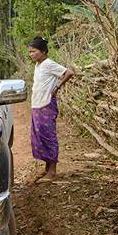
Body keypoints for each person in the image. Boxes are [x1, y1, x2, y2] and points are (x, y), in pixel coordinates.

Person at [28, 36, 74, 181]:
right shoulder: (38, 65)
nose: (31, 54)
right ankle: (47, 168)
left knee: (48, 136)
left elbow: (69, 72)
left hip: (46, 104)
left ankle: (52, 171)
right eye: (30, 52)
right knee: (40, 136)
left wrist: (57, 87)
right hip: (37, 104)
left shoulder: (48, 64)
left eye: (34, 51)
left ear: (43, 51)